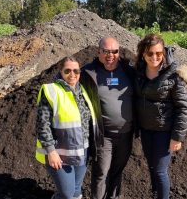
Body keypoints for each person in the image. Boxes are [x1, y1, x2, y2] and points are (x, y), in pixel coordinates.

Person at [134, 34, 187, 199]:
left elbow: (183, 108)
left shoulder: (174, 76)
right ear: (143, 54)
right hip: (147, 130)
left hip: (165, 132)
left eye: (158, 53)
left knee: (160, 171)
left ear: (164, 54)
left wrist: (177, 137)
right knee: (152, 168)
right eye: (150, 53)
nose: (154, 57)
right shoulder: (139, 72)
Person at [35, 56, 100, 199]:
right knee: (67, 193)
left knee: (76, 190)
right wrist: (51, 152)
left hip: (82, 150)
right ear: (60, 71)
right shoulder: (51, 91)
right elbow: (42, 124)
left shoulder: (82, 91)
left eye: (76, 71)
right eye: (68, 71)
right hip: (60, 153)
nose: (72, 75)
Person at [80, 37, 135, 199]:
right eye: (106, 51)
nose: (110, 55)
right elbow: (65, 77)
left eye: (114, 51)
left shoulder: (129, 71)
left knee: (117, 172)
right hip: (104, 136)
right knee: (101, 172)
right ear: (99, 53)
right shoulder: (88, 72)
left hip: (126, 134)